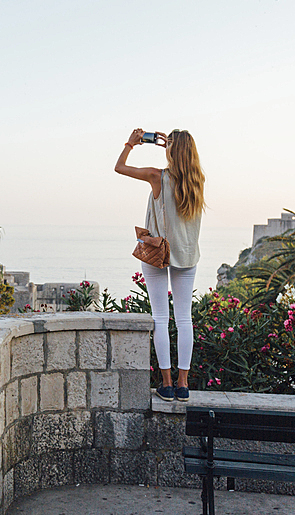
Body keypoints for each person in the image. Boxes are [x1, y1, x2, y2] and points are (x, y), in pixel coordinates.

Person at [115, 128, 204, 402]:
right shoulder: (198, 181)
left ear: (170, 149)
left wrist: (132, 143)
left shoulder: (157, 177)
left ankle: (166, 384)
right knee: (184, 320)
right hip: (186, 256)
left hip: (157, 254)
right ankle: (183, 383)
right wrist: (174, 146)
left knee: (160, 319)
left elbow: (120, 167)